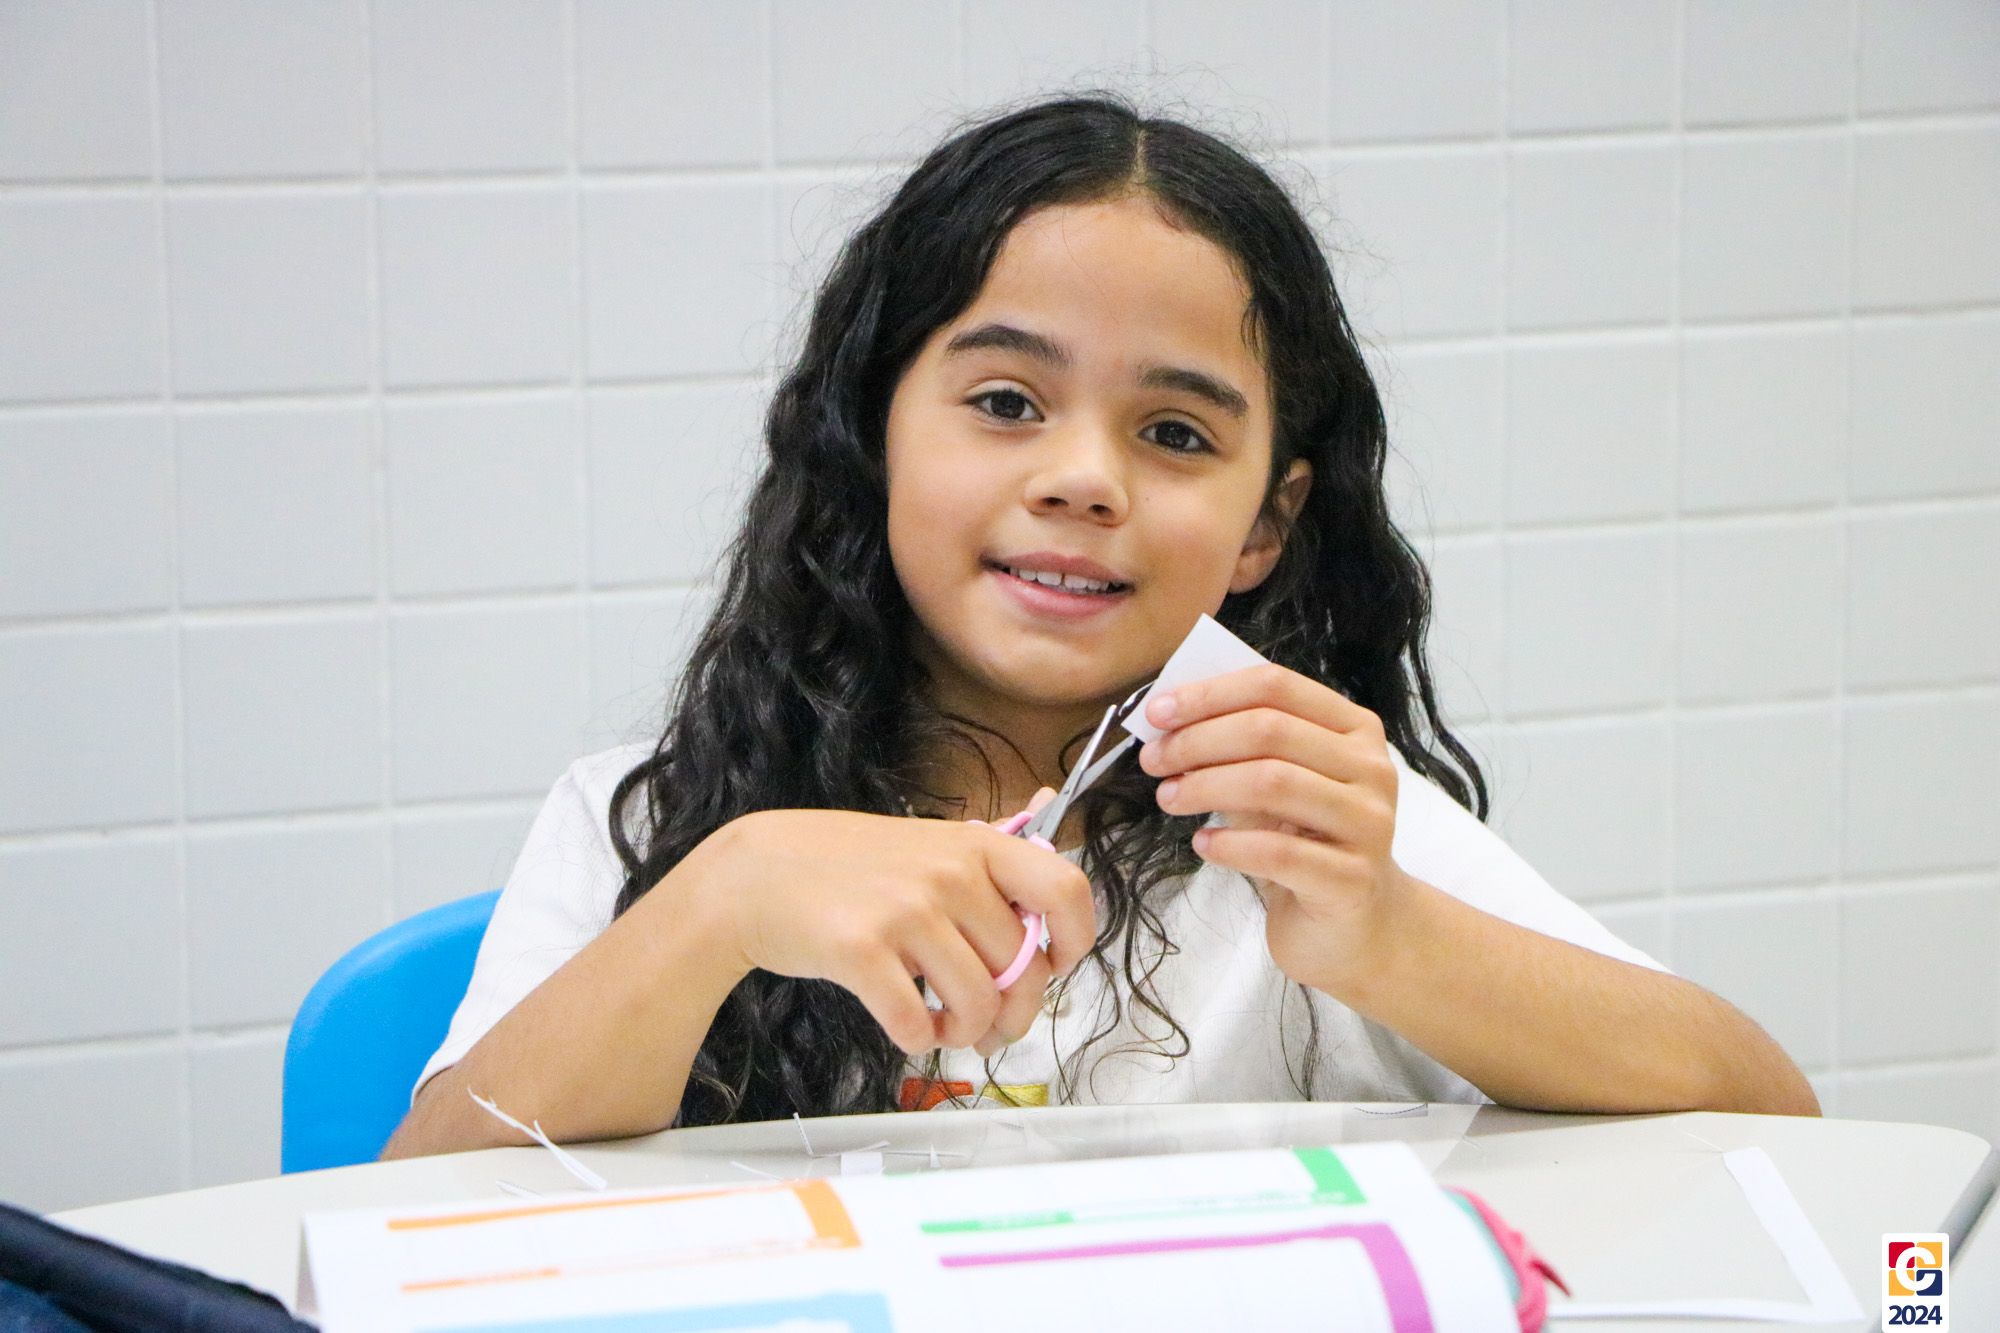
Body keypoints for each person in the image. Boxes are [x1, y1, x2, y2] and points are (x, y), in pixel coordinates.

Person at [384, 97, 1814, 1158]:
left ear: (1265, 524)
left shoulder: (1307, 835)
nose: (1084, 478)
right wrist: (723, 902)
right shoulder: (658, 822)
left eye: (1176, 432)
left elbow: (1766, 1112)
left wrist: (1388, 936)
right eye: (1006, 401)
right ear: (872, 438)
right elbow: (415, 1195)